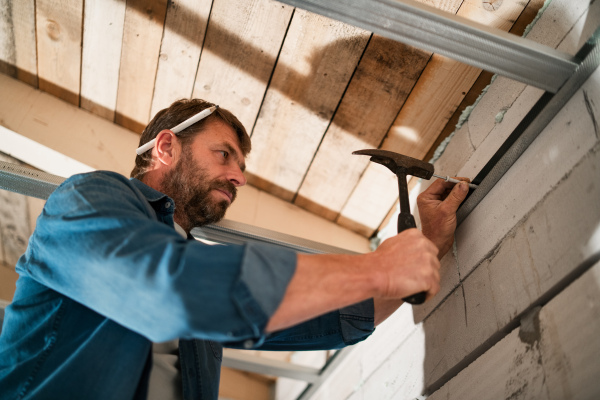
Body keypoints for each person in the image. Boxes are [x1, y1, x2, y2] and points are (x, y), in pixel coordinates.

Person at [0, 99, 469, 399]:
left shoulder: (208, 291)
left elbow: (338, 317)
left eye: (241, 166)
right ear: (166, 147)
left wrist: (425, 248)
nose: (238, 177)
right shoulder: (89, 198)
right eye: (223, 154)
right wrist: (377, 267)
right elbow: (169, 290)